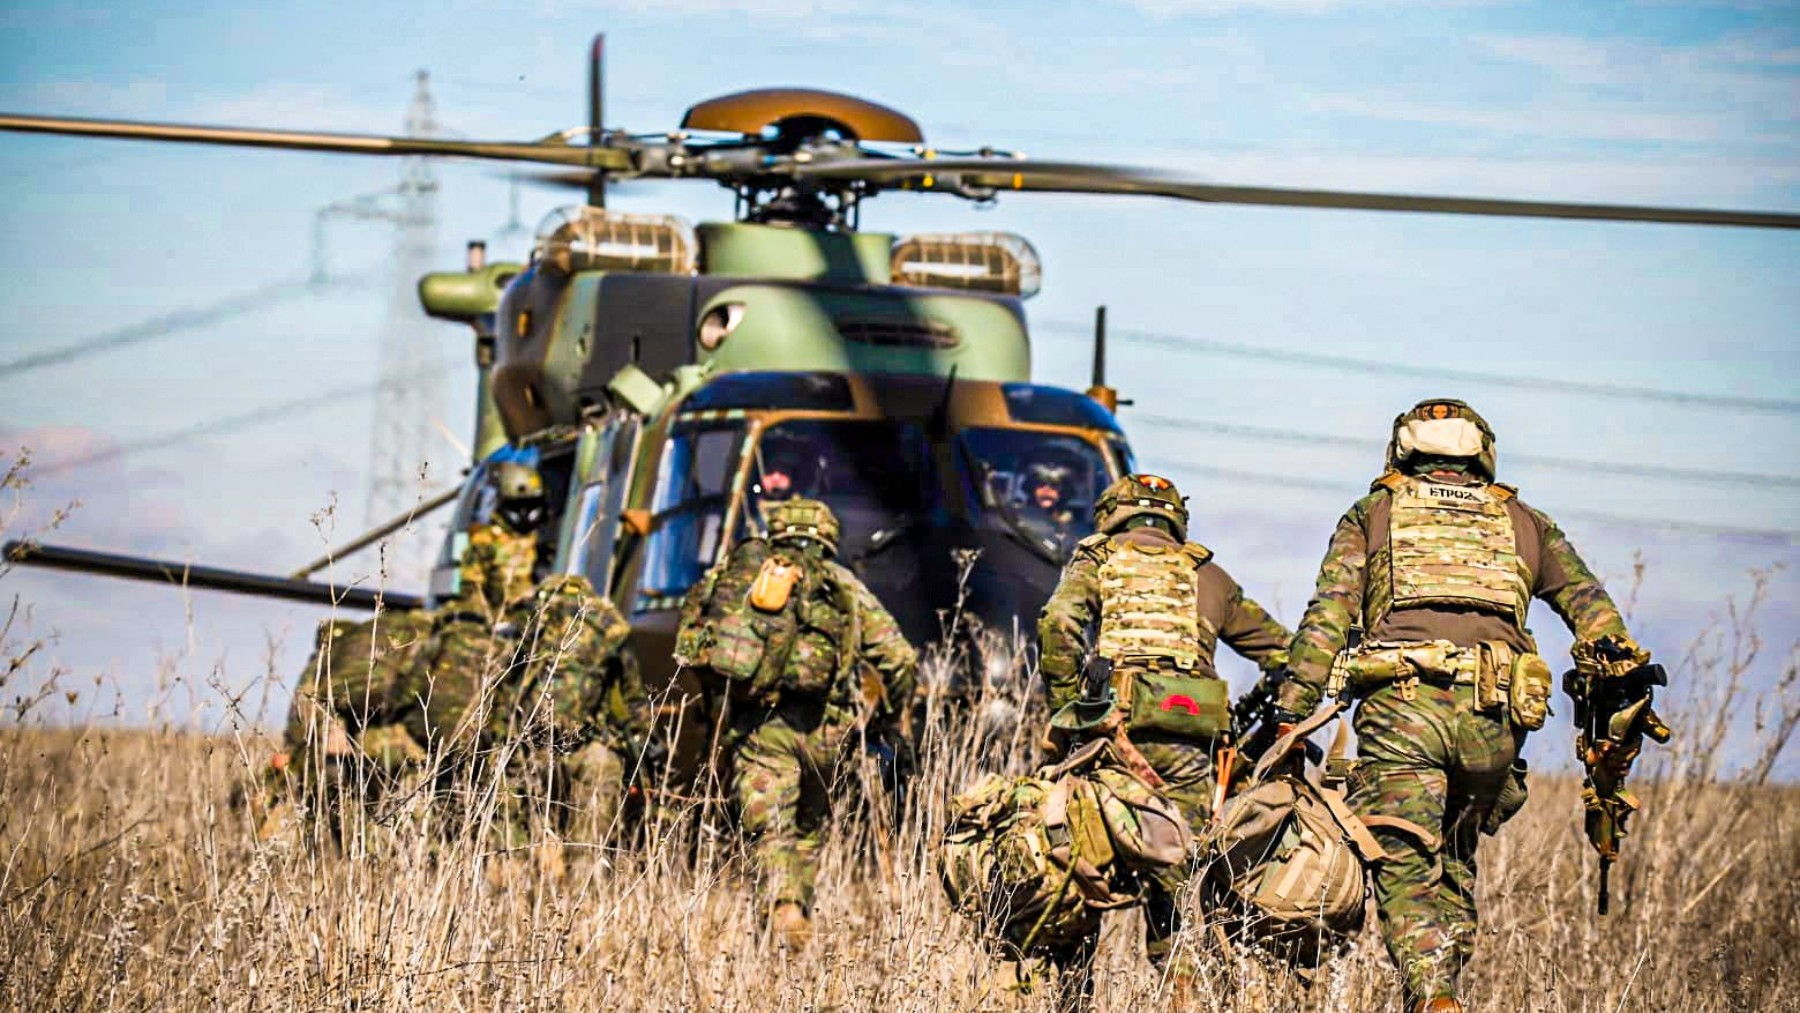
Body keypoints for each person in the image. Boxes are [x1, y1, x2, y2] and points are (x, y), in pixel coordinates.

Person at [1267, 398, 1649, 1013]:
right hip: (1494, 723)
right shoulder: (1525, 520)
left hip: (1402, 711)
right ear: (1482, 454)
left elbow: (1327, 616)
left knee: (1403, 860)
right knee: (1452, 862)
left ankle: (1432, 995)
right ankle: (1442, 988)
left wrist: (1292, 708)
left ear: (1401, 451)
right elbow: (1596, 613)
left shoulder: (1375, 513)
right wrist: (1617, 691)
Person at [1037, 472, 1292, 972]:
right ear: (1176, 520)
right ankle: (1182, 988)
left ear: (1112, 514)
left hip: (1111, 740)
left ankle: (1074, 1000)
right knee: (1177, 893)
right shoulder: (1208, 574)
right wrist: (1253, 717)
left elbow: (1057, 623)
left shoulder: (1097, 559)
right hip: (1193, 748)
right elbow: (1286, 653)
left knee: (1084, 873)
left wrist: (1071, 715)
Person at [674, 498, 918, 949]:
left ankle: (783, 911)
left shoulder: (743, 577)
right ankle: (796, 919)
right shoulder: (844, 587)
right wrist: (887, 720)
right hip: (829, 731)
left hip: (762, 727)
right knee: (806, 828)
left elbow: (692, 640)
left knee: (771, 832)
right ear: (828, 537)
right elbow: (900, 660)